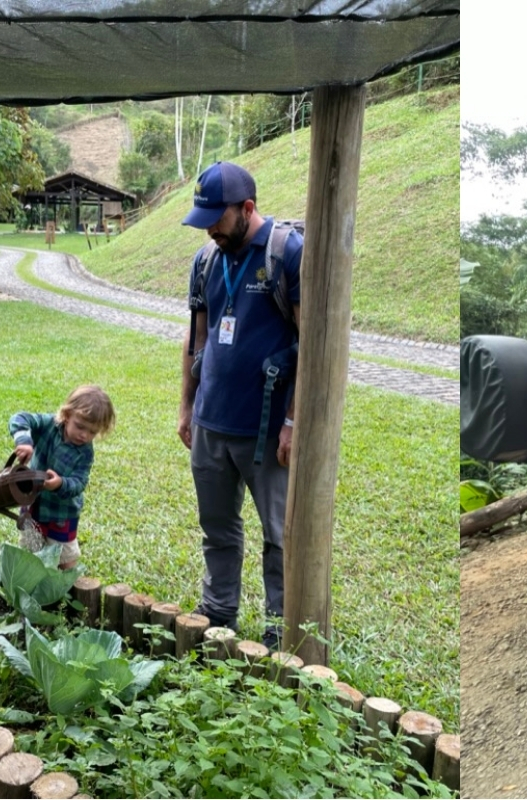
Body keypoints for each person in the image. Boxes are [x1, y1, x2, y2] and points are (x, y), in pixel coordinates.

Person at [177, 160, 302, 648]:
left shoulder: (286, 254)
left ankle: (280, 626)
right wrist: (186, 408)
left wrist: (293, 420)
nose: (209, 229)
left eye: (217, 218)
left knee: (279, 535)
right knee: (217, 527)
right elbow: (195, 338)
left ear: (247, 208)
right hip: (211, 423)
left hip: (267, 429)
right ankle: (218, 609)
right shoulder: (206, 261)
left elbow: (312, 342)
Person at [9, 385, 116, 571]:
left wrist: (60, 484)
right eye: (80, 426)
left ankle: (67, 587)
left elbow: (79, 482)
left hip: (61, 512)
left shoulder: (85, 453)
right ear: (67, 415)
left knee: (64, 556)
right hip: (32, 504)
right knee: (31, 550)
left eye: (92, 432)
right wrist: (24, 442)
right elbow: (19, 418)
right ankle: (32, 579)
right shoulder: (48, 424)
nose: (84, 435)